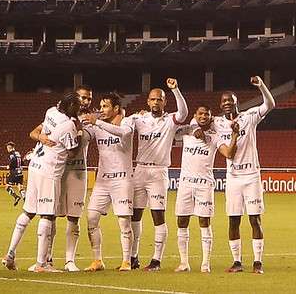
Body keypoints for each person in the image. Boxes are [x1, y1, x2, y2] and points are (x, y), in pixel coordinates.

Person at [2, 92, 82, 273]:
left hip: (35, 166)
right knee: (48, 215)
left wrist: (41, 137)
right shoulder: (69, 125)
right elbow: (72, 152)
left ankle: (10, 254)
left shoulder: (51, 111)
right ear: (71, 106)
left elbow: (38, 132)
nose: (79, 109)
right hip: (50, 171)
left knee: (28, 211)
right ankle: (41, 264)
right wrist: (79, 132)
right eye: (77, 105)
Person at [29, 85, 93, 272]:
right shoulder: (60, 116)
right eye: (82, 97)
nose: (85, 101)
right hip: (59, 171)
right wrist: (41, 138)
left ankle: (70, 260)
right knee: (52, 216)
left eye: (88, 98)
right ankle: (47, 259)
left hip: (78, 171)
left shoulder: (92, 119)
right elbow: (35, 132)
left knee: (74, 217)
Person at [216, 76, 275, 274]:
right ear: (221, 105)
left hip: (251, 176)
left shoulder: (249, 117)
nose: (227, 103)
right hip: (233, 177)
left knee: (255, 219)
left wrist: (261, 86)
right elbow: (199, 120)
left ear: (236, 102)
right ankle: (237, 262)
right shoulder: (218, 124)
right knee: (233, 220)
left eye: (230, 100)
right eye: (224, 101)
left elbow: (270, 104)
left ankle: (258, 262)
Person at [128, 78, 188, 271]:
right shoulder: (139, 119)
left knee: (158, 216)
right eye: (153, 99)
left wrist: (175, 89)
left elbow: (184, 113)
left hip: (158, 172)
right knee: (135, 215)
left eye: (159, 99)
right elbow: (123, 124)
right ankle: (133, 256)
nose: (156, 102)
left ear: (165, 102)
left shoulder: (170, 121)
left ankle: (156, 260)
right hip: (140, 170)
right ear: (148, 102)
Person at [173, 106, 239, 273]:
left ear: (211, 117)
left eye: (206, 114)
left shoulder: (215, 137)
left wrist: (234, 136)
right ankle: (184, 263)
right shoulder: (187, 132)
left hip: (204, 185)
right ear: (195, 116)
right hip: (185, 183)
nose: (203, 116)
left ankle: (205, 263)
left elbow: (229, 154)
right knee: (182, 221)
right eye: (200, 114)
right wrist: (194, 127)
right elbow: (171, 131)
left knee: (204, 222)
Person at [80, 92, 135, 272]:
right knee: (91, 218)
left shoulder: (127, 121)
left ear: (116, 108)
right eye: (101, 106)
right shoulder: (97, 125)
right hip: (102, 181)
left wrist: (97, 121)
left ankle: (126, 261)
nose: (102, 109)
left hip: (122, 179)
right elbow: (85, 135)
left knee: (124, 222)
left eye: (105, 106)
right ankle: (97, 260)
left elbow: (123, 132)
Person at [5, 141, 25, 206]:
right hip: (20, 172)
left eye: (7, 147)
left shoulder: (11, 154)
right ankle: (25, 198)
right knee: (20, 186)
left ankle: (16, 197)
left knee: (7, 187)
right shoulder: (18, 153)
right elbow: (22, 163)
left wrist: (9, 166)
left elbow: (12, 161)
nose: (7, 149)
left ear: (9, 147)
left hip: (14, 172)